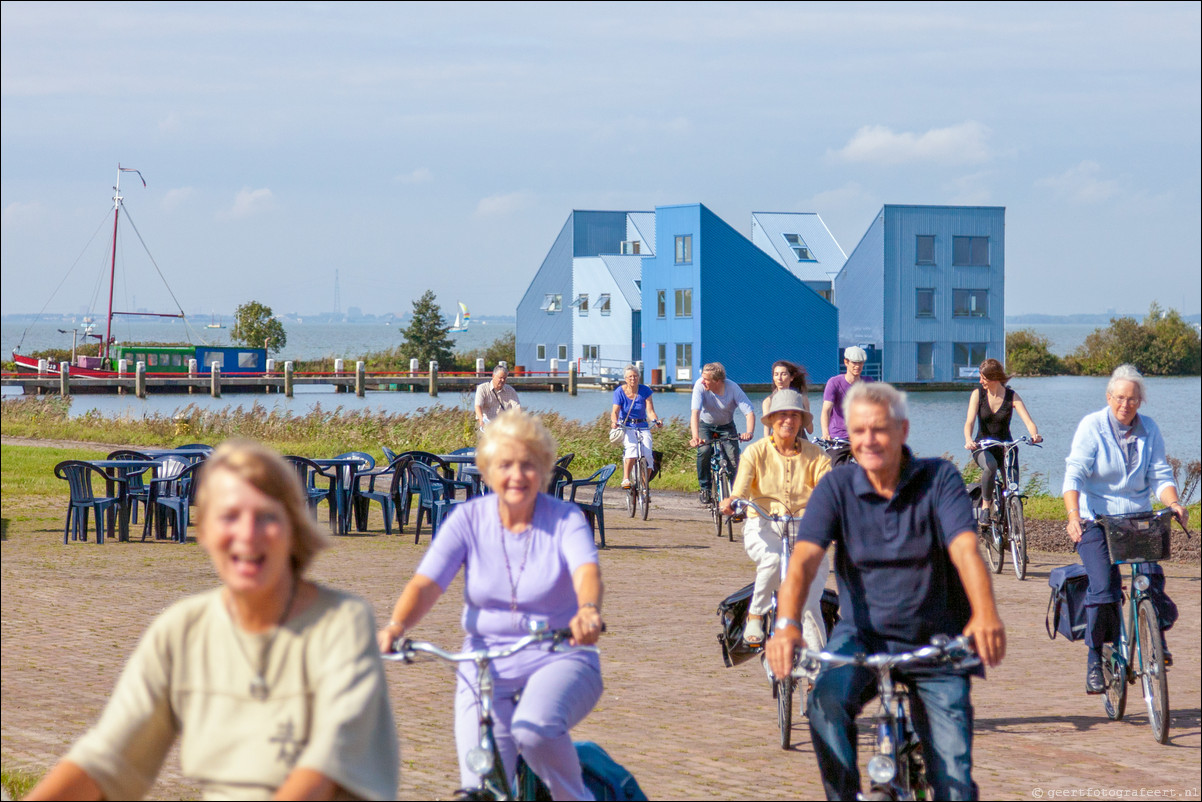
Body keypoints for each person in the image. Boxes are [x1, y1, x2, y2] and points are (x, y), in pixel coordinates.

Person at [27, 441, 399, 801]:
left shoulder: (342, 623)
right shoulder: (183, 628)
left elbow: (326, 767)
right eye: (229, 516)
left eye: (267, 516)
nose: (247, 534)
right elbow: (108, 758)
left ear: (294, 528)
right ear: (202, 529)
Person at [766, 382, 1005, 801]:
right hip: (861, 635)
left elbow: (965, 549)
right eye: (858, 431)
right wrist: (786, 624)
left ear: (903, 430)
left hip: (937, 640)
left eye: (879, 429)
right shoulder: (837, 487)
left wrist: (985, 614)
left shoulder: (939, 479)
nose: (868, 440)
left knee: (953, 780)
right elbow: (804, 559)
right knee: (823, 705)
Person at [377, 410, 604, 801]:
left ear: (544, 470)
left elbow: (587, 571)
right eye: (505, 465)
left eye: (528, 465)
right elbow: (427, 583)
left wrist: (587, 611)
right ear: (486, 471)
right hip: (484, 664)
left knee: (535, 729)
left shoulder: (565, 519)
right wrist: (396, 627)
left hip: (562, 654)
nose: (517, 475)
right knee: (481, 781)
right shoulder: (468, 519)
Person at [1063, 364, 1188, 695]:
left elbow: (1160, 475)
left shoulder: (1150, 429)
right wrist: (1073, 514)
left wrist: (1173, 503)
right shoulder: (1092, 427)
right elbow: (1074, 474)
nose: (1125, 405)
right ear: (1109, 397)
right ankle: (1095, 659)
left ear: (1140, 401)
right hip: (1096, 519)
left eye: (1133, 399)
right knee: (1103, 588)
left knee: (1149, 577)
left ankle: (1156, 639)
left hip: (1137, 518)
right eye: (1120, 397)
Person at [720, 390, 831, 647]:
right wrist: (732, 502)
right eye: (781, 415)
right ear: (770, 420)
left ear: (802, 421)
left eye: (794, 415)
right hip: (764, 525)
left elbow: (829, 494)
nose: (788, 421)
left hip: (806, 532)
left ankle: (819, 678)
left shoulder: (818, 456)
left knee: (808, 604)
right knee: (773, 559)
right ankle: (756, 614)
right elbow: (741, 490)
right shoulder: (755, 452)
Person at [963, 358, 1042, 525]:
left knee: (1012, 487)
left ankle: (1011, 524)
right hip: (982, 446)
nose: (980, 381)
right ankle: (985, 507)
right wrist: (969, 439)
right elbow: (969, 422)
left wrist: (1035, 435)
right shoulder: (978, 394)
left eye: (983, 378)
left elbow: (1029, 422)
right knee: (990, 466)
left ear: (994, 378)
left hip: (1006, 447)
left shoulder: (1012, 396)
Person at [689, 362, 756, 505]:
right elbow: (695, 413)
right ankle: (705, 488)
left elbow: (749, 412)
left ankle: (736, 497)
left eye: (706, 379)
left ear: (717, 381)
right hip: (705, 425)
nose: (703, 381)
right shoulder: (700, 386)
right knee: (704, 450)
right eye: (702, 378)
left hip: (726, 426)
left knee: (733, 459)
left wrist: (749, 432)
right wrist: (695, 437)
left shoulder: (732, 388)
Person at [611, 364, 663, 489]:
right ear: (625, 378)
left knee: (648, 454)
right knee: (631, 449)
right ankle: (626, 478)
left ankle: (645, 486)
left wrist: (656, 420)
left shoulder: (645, 390)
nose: (633, 379)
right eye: (630, 377)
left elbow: (650, 411)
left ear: (639, 377)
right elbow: (615, 411)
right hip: (627, 425)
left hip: (643, 426)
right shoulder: (619, 392)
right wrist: (614, 421)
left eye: (635, 376)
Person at [820, 346, 873, 465]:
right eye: (854, 363)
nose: (857, 366)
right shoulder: (834, 383)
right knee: (834, 466)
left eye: (860, 363)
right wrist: (825, 433)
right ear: (846, 362)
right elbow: (826, 410)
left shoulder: (868, 382)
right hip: (839, 437)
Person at [762, 360, 813, 439]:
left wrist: (802, 411)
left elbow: (810, 430)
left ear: (791, 377)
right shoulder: (768, 402)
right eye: (776, 374)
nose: (779, 378)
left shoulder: (801, 398)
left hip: (800, 445)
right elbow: (767, 429)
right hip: (778, 445)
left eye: (783, 374)